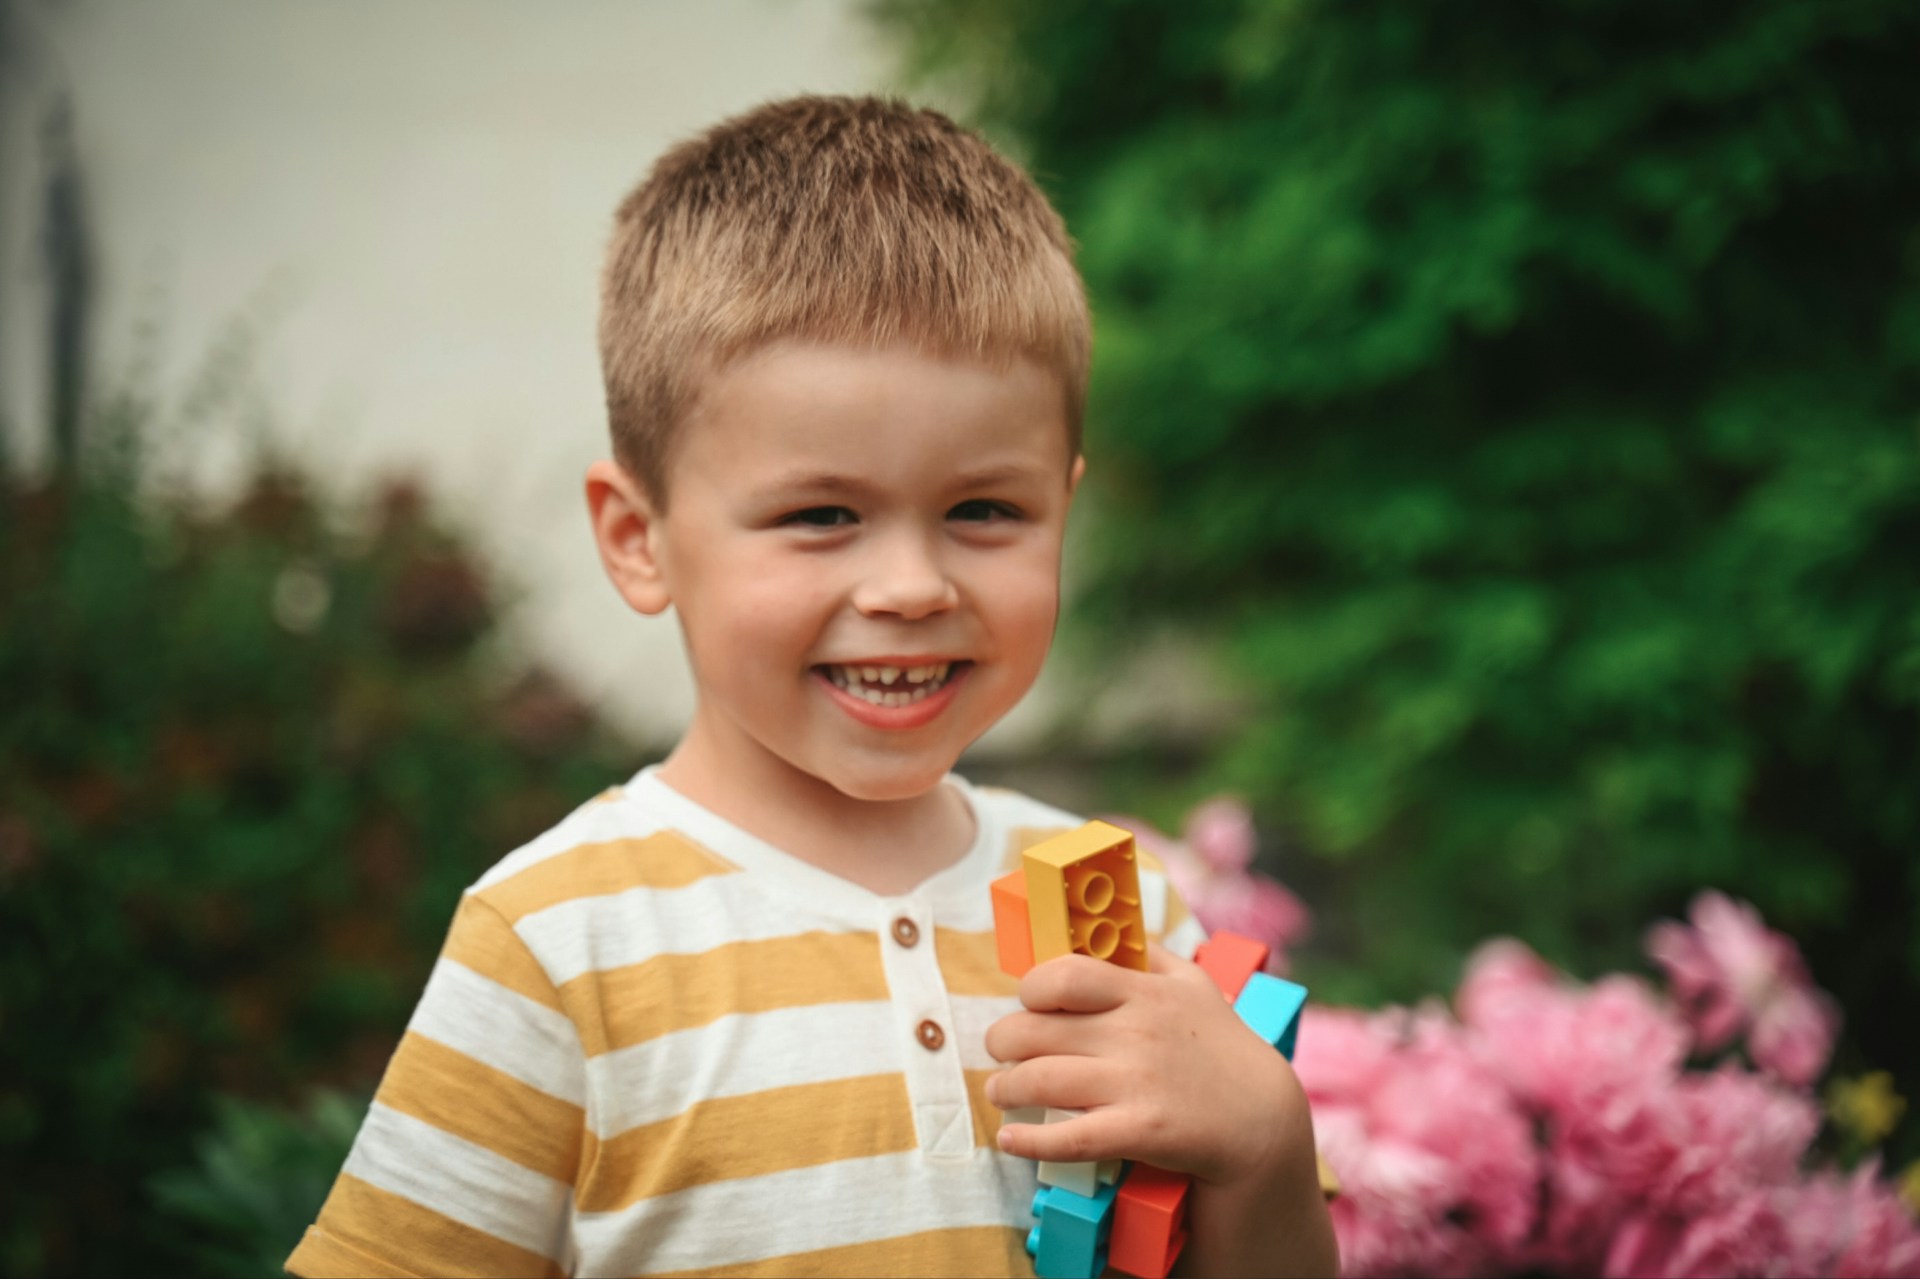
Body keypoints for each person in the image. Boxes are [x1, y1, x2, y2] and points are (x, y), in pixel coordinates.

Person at [285, 95, 1337, 1278]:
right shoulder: (558, 943)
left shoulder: (1123, 915)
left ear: (1063, 509)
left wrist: (1261, 1145)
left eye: (983, 509)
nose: (909, 585)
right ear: (640, 538)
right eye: (820, 515)